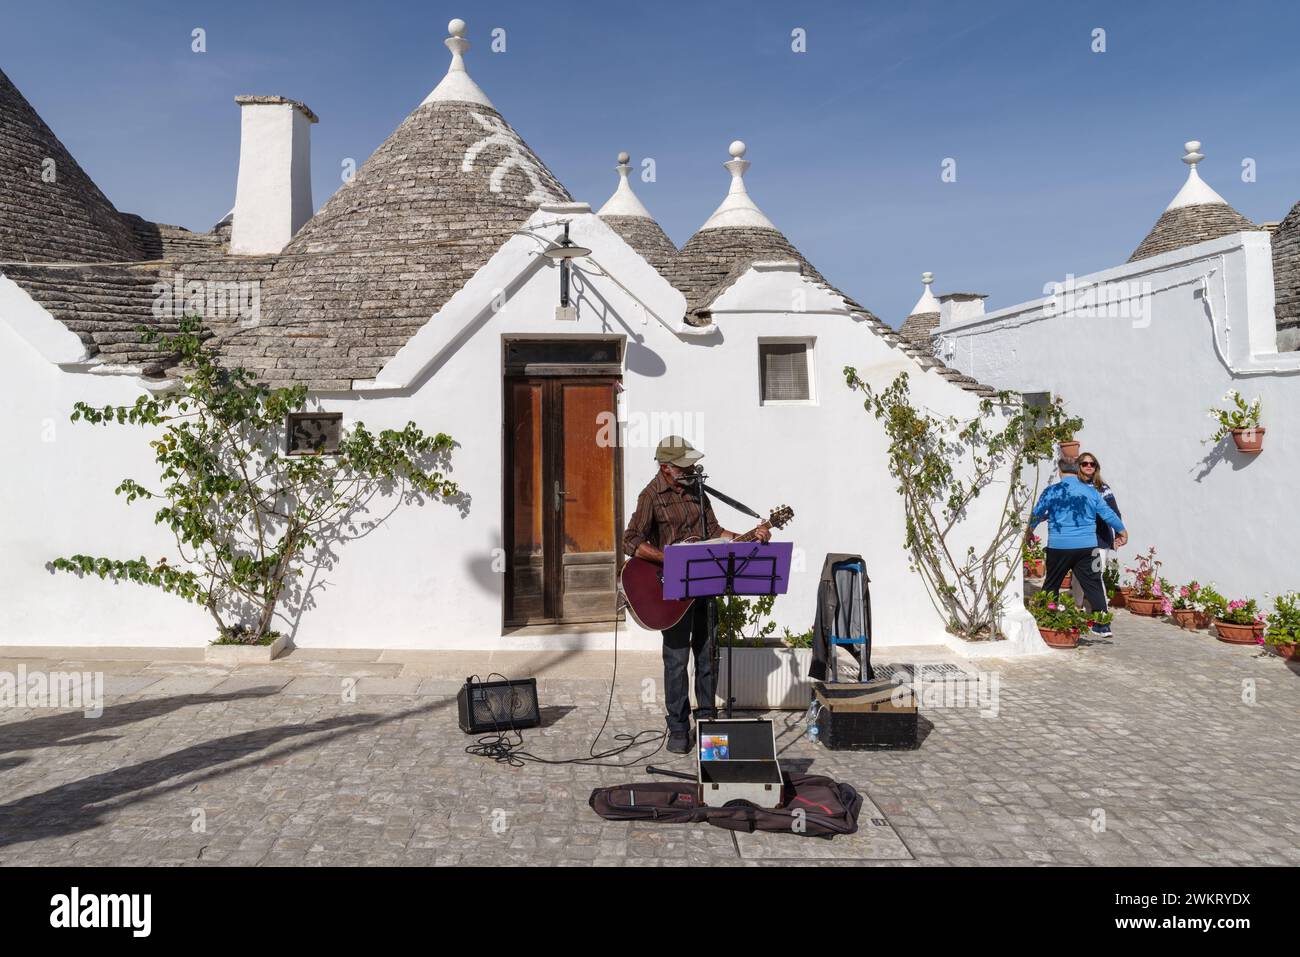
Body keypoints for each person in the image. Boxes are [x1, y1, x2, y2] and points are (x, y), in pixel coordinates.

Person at [622, 436, 769, 754]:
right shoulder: (651, 496)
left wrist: (750, 537)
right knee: (676, 660)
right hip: (670, 588)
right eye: (684, 466)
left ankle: (707, 723)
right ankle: (678, 726)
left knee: (708, 655)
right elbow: (630, 540)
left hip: (705, 583)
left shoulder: (699, 492)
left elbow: (715, 532)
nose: (691, 470)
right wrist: (668, 558)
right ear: (666, 468)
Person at [1028, 456, 1128, 635]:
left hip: (1059, 547)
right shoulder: (1091, 492)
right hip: (1087, 547)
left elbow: (1037, 513)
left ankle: (1046, 618)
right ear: (1077, 469)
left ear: (1060, 470)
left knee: (1052, 584)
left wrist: (1029, 531)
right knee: (1094, 584)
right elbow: (1108, 513)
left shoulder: (1051, 491)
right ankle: (1102, 626)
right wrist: (1122, 531)